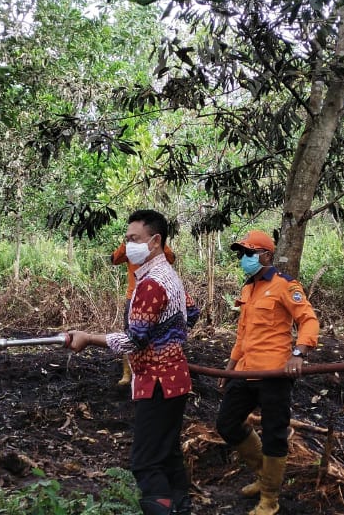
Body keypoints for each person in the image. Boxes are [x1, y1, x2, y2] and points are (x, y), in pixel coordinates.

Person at [67, 210, 193, 515]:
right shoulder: (170, 276)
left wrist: (88, 338)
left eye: (133, 239)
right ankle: (182, 508)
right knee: (169, 453)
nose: (128, 246)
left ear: (155, 241)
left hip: (158, 383)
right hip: (177, 379)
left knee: (145, 462)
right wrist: (169, 335)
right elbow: (192, 312)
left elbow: (133, 340)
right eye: (126, 239)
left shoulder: (150, 285)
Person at [215, 229, 320, 515]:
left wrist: (298, 353)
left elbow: (308, 321)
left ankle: (270, 499)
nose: (244, 259)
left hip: (274, 374)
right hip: (245, 371)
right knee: (226, 424)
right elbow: (243, 334)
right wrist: (230, 366)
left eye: (250, 253)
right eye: (242, 254)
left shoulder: (286, 285)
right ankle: (264, 476)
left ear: (266, 255)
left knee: (274, 434)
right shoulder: (248, 287)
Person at [111, 239, 177, 386]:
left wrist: (158, 243)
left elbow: (171, 258)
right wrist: (125, 243)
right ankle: (127, 373)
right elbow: (114, 259)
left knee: (155, 334)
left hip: (155, 295)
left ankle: (151, 371)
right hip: (133, 297)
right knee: (131, 335)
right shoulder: (130, 248)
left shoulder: (155, 246)